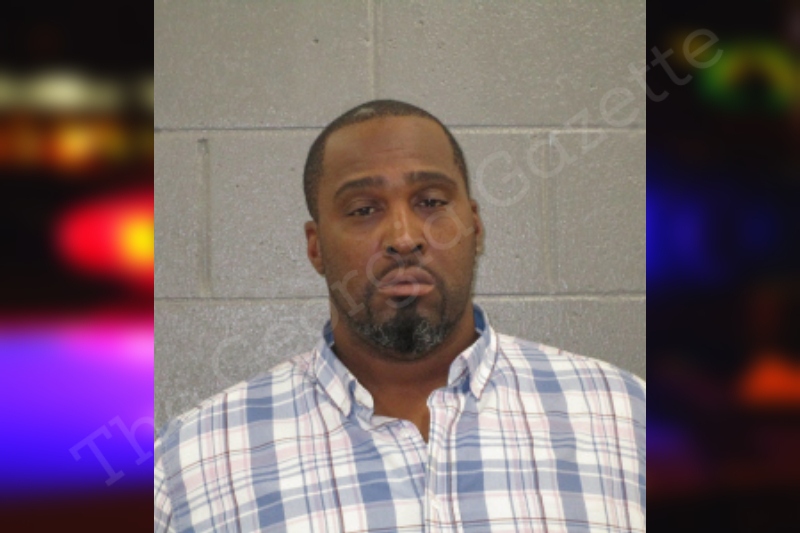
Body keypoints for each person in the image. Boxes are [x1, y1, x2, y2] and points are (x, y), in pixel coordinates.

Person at [154, 100, 646, 532]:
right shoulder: (190, 464)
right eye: (363, 209)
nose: (404, 237)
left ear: (475, 226)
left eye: (431, 202)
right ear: (315, 247)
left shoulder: (628, 419)